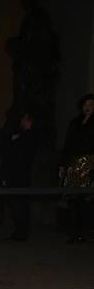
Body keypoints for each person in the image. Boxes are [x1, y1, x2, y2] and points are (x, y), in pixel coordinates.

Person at [59, 93, 94, 243]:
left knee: (87, 198)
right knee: (72, 198)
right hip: (74, 163)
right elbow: (68, 144)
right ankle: (74, 232)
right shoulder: (75, 122)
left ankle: (86, 232)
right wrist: (62, 165)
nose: (88, 107)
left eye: (91, 104)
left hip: (91, 163)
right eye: (85, 104)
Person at [2, 111, 39, 240]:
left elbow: (19, 155)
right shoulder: (22, 135)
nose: (22, 122)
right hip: (17, 173)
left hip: (20, 174)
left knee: (19, 203)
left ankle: (22, 231)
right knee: (17, 203)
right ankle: (20, 230)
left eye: (24, 120)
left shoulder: (30, 136)